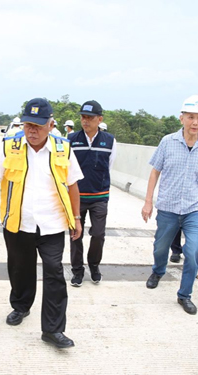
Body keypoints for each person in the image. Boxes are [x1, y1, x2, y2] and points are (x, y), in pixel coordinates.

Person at [0, 97, 83, 349]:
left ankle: (53, 329)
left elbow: (73, 185)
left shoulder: (63, 148)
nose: (32, 131)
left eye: (38, 126)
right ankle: (20, 306)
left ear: (51, 125)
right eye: (28, 125)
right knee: (20, 269)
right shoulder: (9, 146)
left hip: (53, 223)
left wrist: (77, 218)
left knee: (54, 273)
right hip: (18, 223)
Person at [141, 95, 198, 315]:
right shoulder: (168, 142)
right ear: (182, 118)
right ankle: (158, 270)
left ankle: (184, 295)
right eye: (191, 117)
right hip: (168, 206)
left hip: (195, 208)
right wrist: (148, 201)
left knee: (193, 251)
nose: (195, 122)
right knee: (160, 247)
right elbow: (155, 171)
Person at [68, 100, 116, 286]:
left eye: (89, 117)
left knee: (98, 234)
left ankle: (94, 265)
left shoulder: (109, 141)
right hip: (76, 196)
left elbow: (109, 166)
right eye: (83, 117)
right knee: (75, 234)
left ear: (100, 119)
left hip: (99, 196)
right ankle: (77, 271)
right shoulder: (71, 140)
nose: (85, 121)